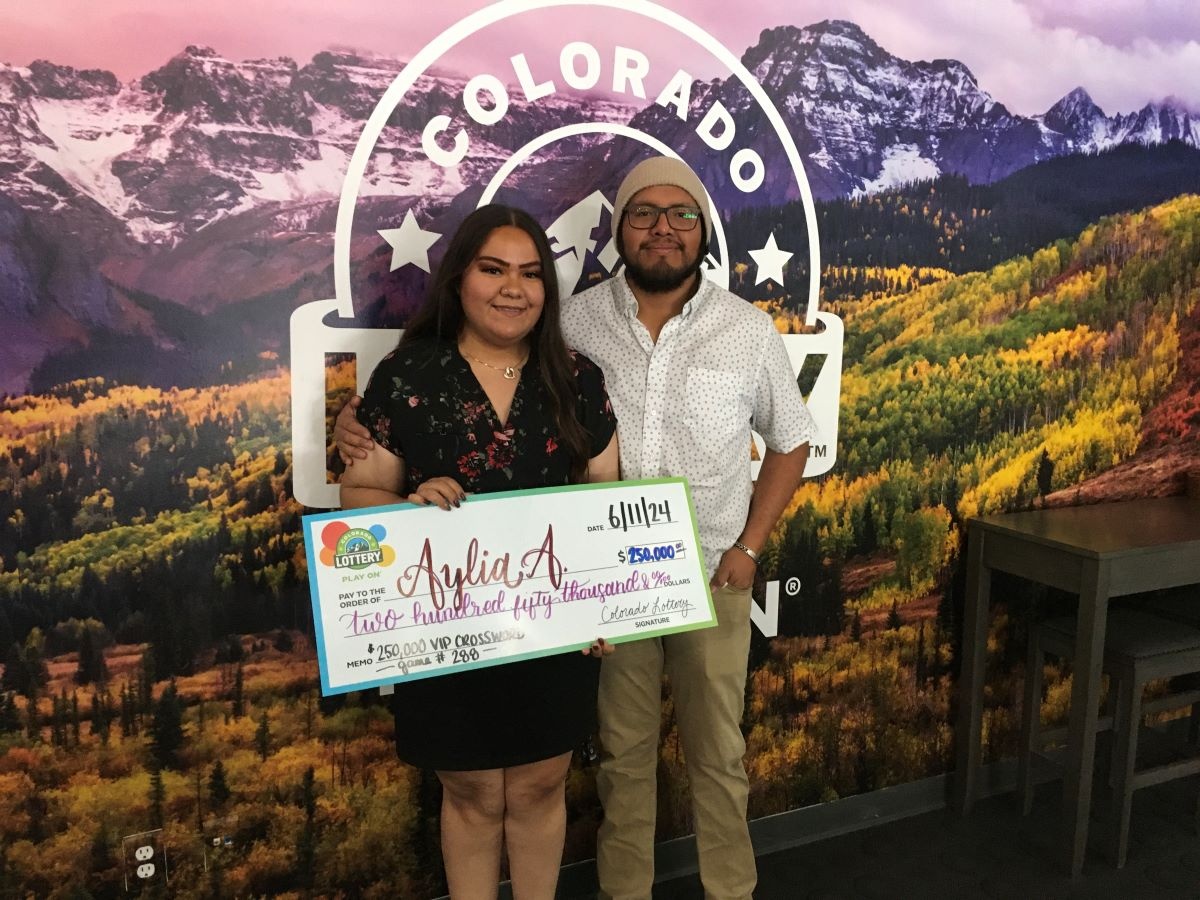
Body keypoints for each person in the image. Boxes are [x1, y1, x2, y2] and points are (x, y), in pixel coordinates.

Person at [338, 158, 816, 900]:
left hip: (702, 573)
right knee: (618, 757)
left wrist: (750, 548)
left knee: (717, 755)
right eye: (643, 214)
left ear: (704, 230)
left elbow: (787, 440)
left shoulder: (736, 333)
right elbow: (372, 482)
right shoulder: (567, 328)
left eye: (681, 215)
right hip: (563, 596)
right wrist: (369, 449)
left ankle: (731, 894)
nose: (663, 229)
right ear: (618, 230)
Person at [339, 203, 619, 900]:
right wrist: (406, 510)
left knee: (539, 786)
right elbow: (359, 504)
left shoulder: (579, 379)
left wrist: (606, 606)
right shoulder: (406, 378)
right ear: (460, 278)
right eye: (493, 269)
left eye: (530, 274)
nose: (513, 288)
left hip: (554, 632)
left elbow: (603, 503)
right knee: (469, 796)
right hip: (443, 633)